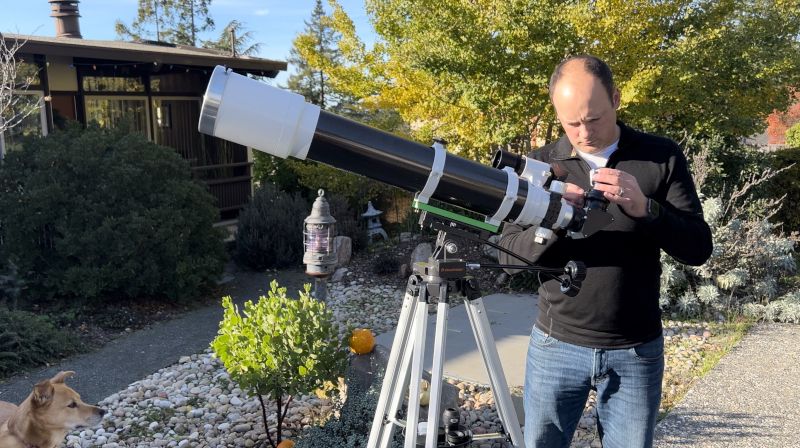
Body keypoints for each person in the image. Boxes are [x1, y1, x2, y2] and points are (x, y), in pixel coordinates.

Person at [498, 55, 713, 448]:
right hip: (556, 345)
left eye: (593, 119)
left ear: (615, 98)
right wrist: (554, 219)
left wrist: (646, 209)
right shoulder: (540, 166)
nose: (583, 133)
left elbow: (698, 248)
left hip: (635, 350)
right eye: (571, 123)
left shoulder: (660, 156)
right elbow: (508, 259)